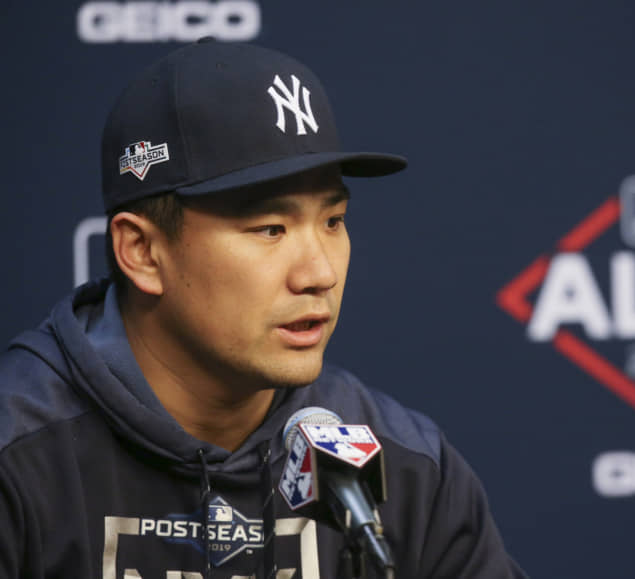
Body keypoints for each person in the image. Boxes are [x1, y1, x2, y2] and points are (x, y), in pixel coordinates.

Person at [0, 39, 527, 578]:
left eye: (333, 221)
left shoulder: (406, 468)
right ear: (142, 252)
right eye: (270, 228)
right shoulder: (19, 455)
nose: (319, 274)